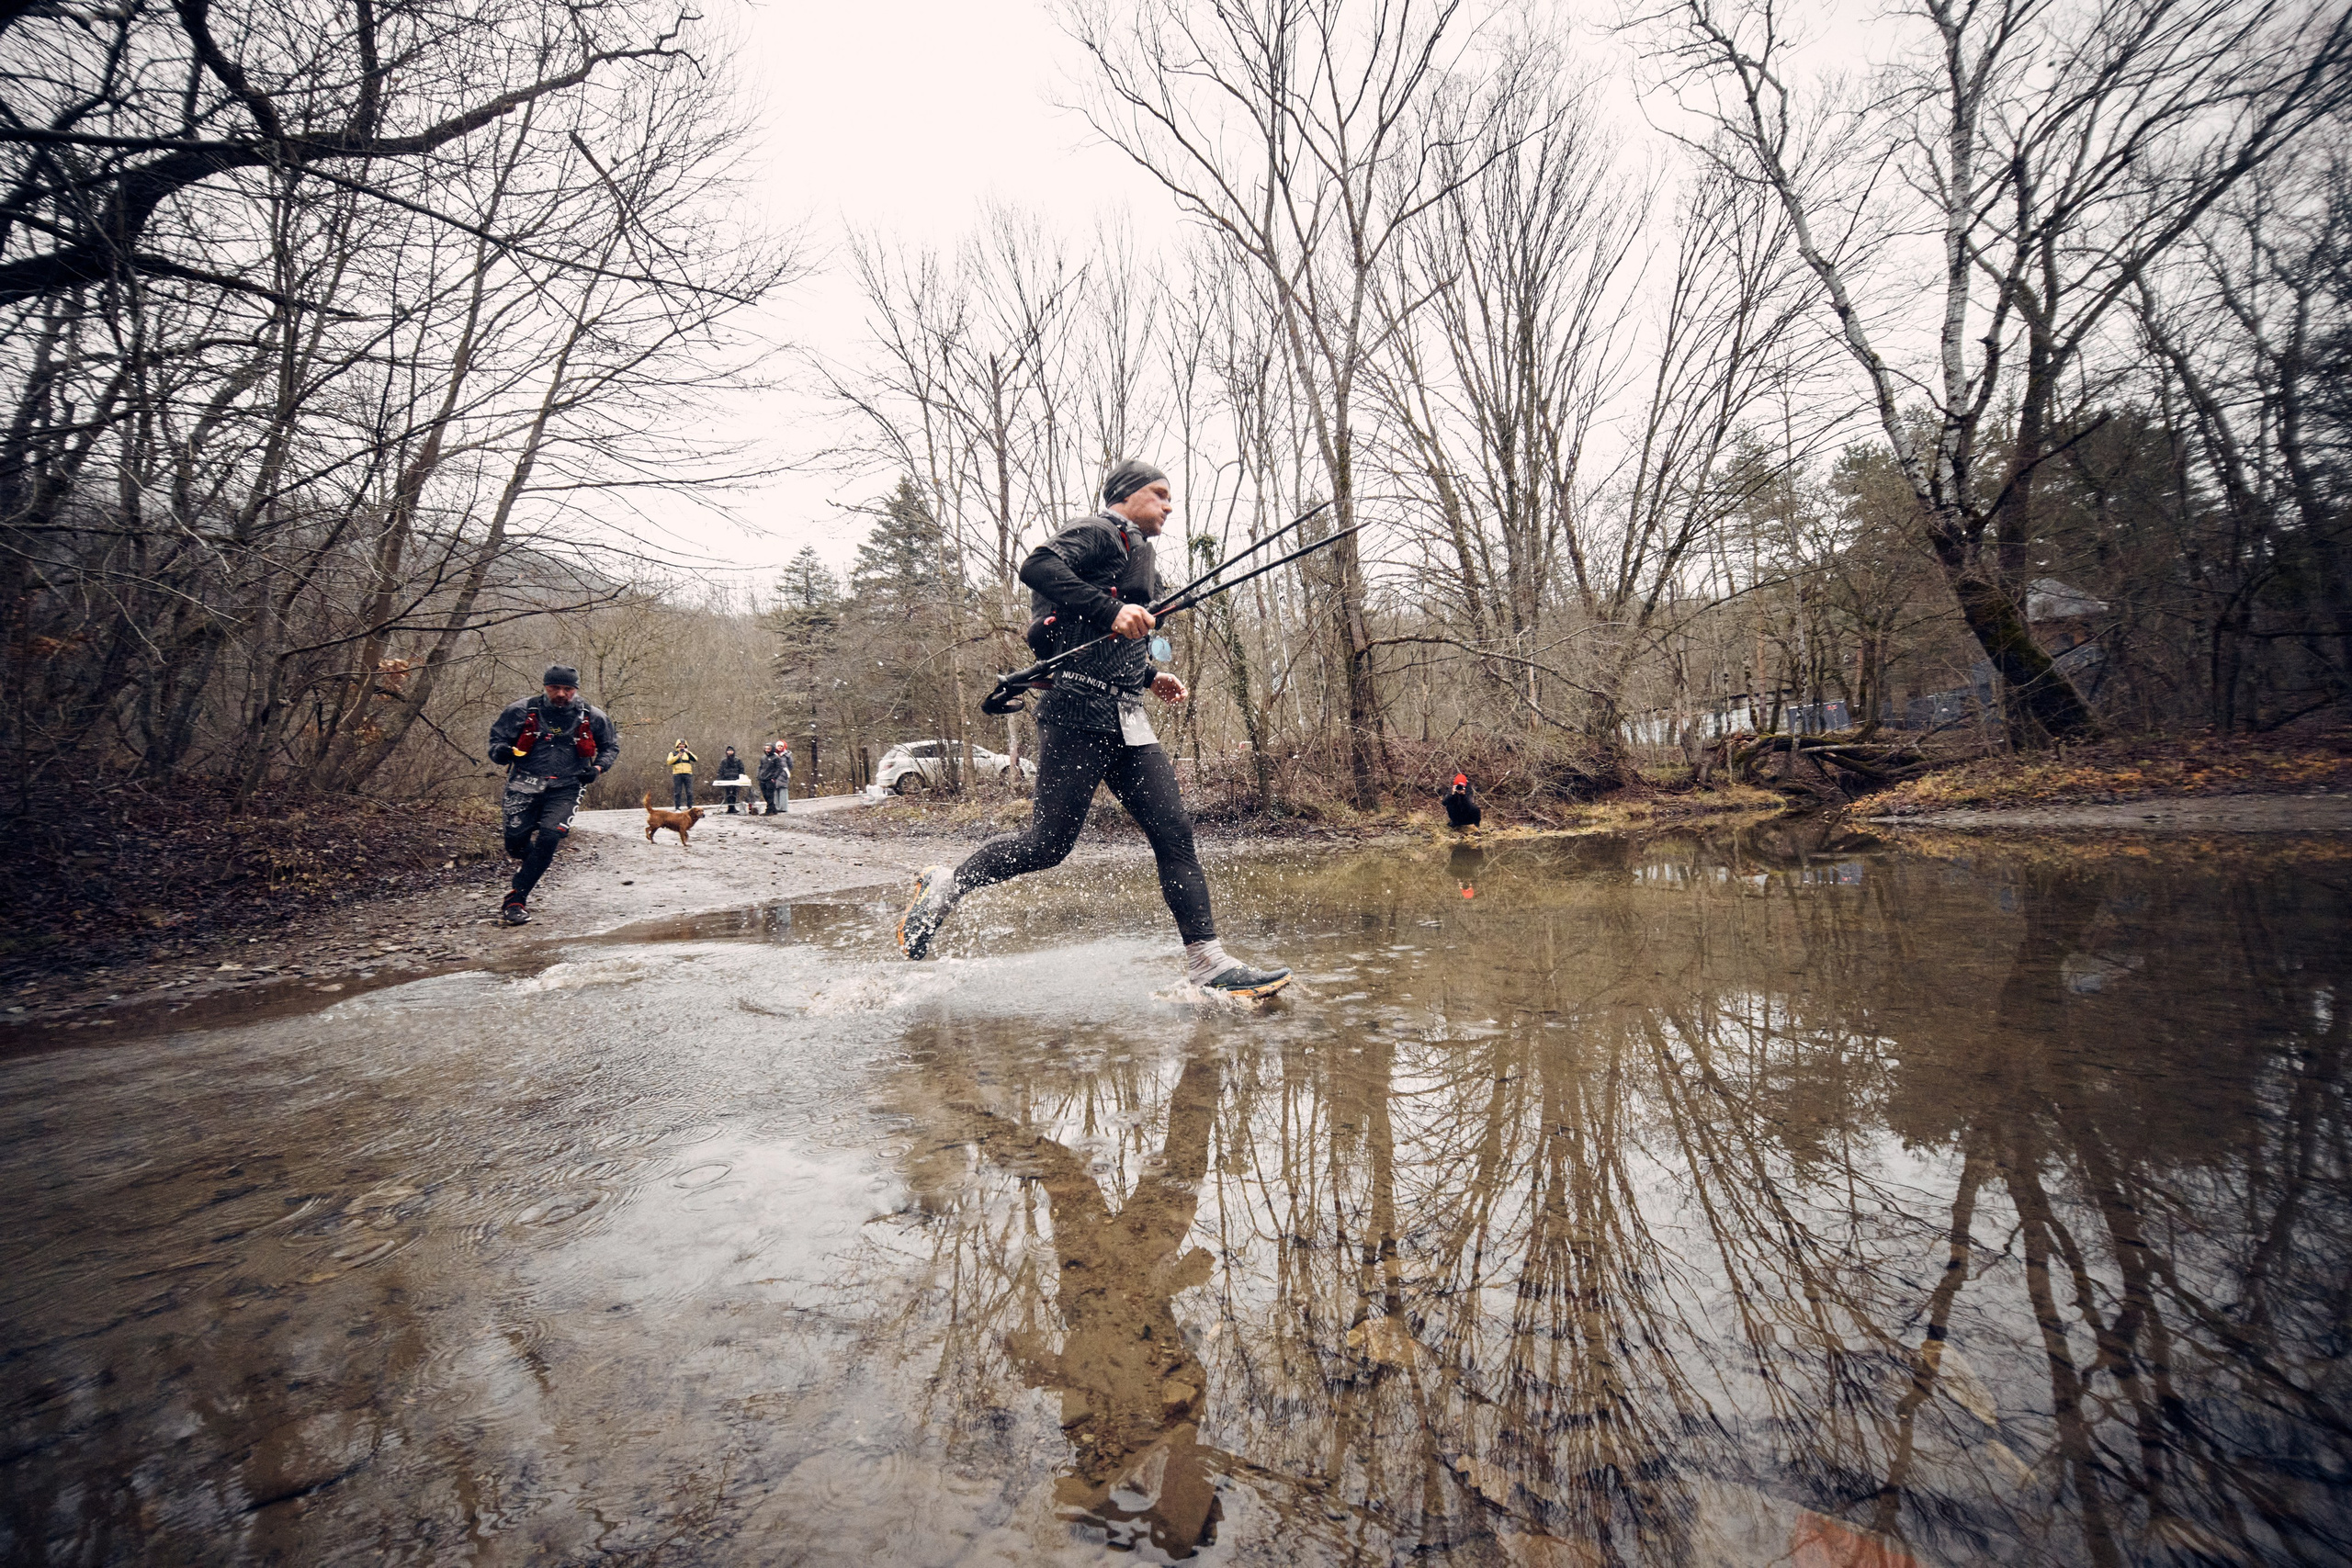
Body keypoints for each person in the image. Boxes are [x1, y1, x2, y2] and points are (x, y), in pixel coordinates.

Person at [896, 459, 1290, 998]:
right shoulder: (1102, 530)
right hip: (1076, 715)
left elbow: (1109, 638)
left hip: (1128, 715)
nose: (1169, 506)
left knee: (1174, 832)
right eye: (1160, 494)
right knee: (1047, 846)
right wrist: (1111, 611)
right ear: (1127, 495)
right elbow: (1037, 566)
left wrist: (1151, 674)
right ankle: (946, 886)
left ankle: (1207, 963)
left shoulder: (1141, 553)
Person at [486, 664, 618, 925]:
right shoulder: (520, 710)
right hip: (523, 783)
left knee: (550, 836)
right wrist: (501, 752)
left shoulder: (592, 716)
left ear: (576, 689)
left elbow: (611, 746)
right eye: (554, 688)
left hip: (567, 786)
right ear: (545, 687)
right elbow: (495, 742)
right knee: (515, 843)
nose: (561, 694)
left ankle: (516, 899)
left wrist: (598, 769)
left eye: (567, 689)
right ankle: (537, 861)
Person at [715, 745, 747, 812]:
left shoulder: (738, 760)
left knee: (735, 793)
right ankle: (730, 807)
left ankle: (733, 807)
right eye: (728, 751)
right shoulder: (724, 761)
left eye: (731, 751)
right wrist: (720, 779)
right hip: (726, 779)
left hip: (736, 779)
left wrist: (741, 777)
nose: (730, 752)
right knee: (727, 793)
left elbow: (741, 769)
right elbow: (720, 770)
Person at [666, 740, 697, 808]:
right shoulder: (673, 753)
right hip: (677, 774)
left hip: (688, 774)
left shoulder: (688, 753)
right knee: (678, 792)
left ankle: (689, 806)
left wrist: (688, 752)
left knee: (689, 792)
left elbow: (695, 759)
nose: (681, 745)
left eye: (683, 744)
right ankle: (678, 807)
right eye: (680, 744)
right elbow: (669, 762)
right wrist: (678, 756)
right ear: (677, 745)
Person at [756, 742, 784, 815]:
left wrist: (774, 777)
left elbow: (779, 768)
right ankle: (773, 809)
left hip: (770, 779)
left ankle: (769, 810)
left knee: (770, 795)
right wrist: (758, 775)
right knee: (765, 795)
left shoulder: (776, 758)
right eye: (766, 749)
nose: (767, 750)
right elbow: (760, 767)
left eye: (769, 749)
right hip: (762, 778)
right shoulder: (763, 758)